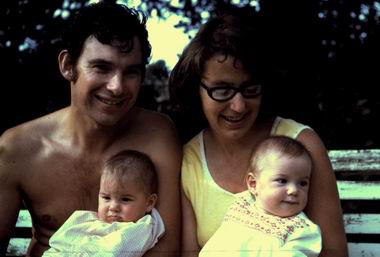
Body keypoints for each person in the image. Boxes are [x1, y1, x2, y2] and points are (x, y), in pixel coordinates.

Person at [0, 2, 181, 257]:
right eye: (101, 68)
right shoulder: (18, 148)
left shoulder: (158, 135)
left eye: (131, 72)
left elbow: (168, 246)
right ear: (68, 66)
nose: (117, 86)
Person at [169, 9, 347, 257]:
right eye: (222, 90)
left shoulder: (300, 143)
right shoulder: (188, 161)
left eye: (250, 88)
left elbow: (334, 252)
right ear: (196, 89)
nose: (239, 106)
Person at [199, 136, 322, 257]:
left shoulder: (302, 230)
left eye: (302, 183)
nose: (294, 190)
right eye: (282, 181)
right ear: (253, 184)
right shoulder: (242, 204)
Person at [43, 150, 165, 257]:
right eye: (106, 197)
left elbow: (116, 252)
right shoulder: (84, 219)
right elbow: (57, 243)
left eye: (125, 199)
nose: (113, 207)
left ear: (149, 203)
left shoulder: (141, 228)